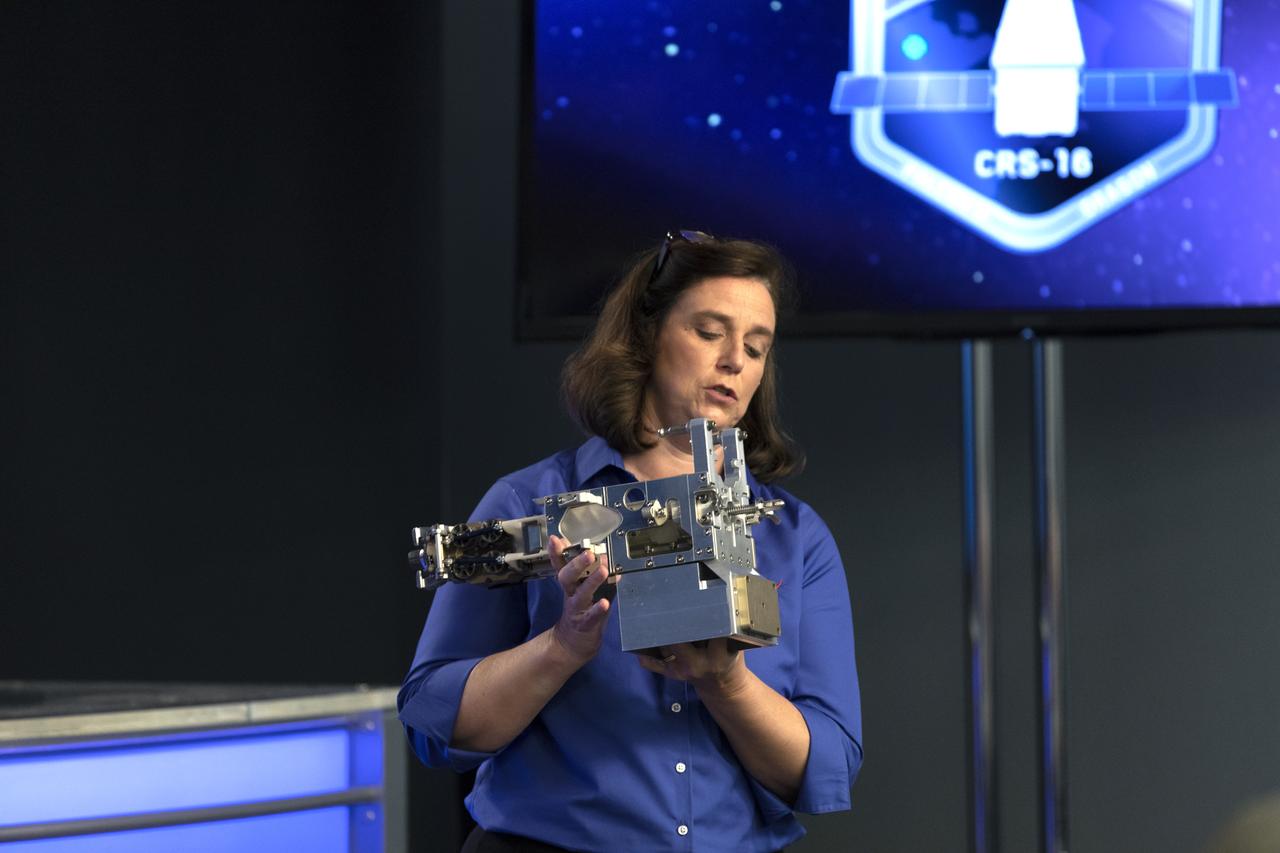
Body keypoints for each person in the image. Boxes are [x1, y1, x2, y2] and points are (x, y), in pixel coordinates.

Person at [399, 231, 862, 853]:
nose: (735, 361)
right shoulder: (528, 505)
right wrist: (562, 648)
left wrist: (724, 681)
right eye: (709, 332)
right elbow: (432, 722)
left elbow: (824, 766)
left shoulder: (793, 536)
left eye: (756, 348)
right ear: (647, 336)